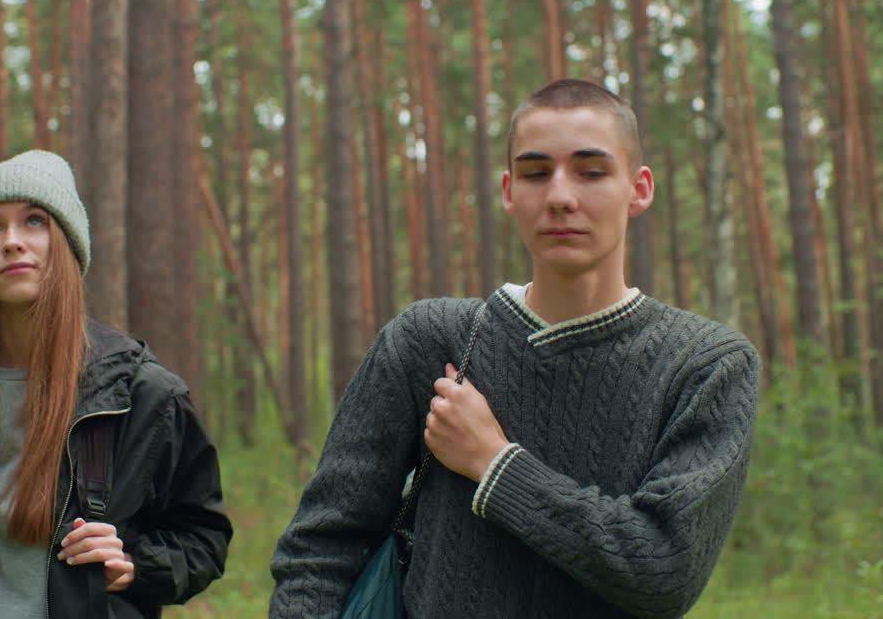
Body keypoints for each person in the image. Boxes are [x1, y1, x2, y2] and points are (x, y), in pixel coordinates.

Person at [269, 79, 760, 618]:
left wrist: (494, 463)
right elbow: (322, 546)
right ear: (508, 191)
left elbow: (665, 570)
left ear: (638, 189)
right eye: (535, 173)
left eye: (591, 172)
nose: (560, 197)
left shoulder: (707, 364)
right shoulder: (428, 340)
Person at [0, 150, 232, 619]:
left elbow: (203, 537)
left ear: (68, 244)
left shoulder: (144, 397)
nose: (12, 242)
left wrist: (132, 565)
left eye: (34, 221)